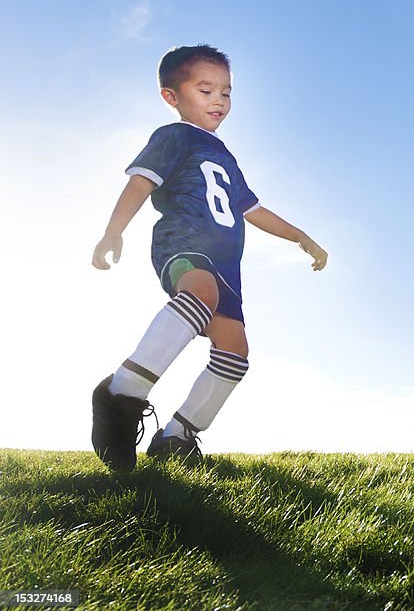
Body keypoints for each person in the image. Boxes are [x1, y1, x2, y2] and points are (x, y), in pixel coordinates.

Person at [91, 44, 328, 471]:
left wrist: (301, 237)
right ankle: (120, 395)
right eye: (205, 90)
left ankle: (177, 437)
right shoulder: (174, 136)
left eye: (226, 92)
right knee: (198, 292)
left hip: (226, 263)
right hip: (183, 241)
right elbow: (141, 184)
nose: (219, 100)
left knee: (235, 349)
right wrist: (113, 232)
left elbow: (252, 210)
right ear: (172, 97)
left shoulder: (225, 156)